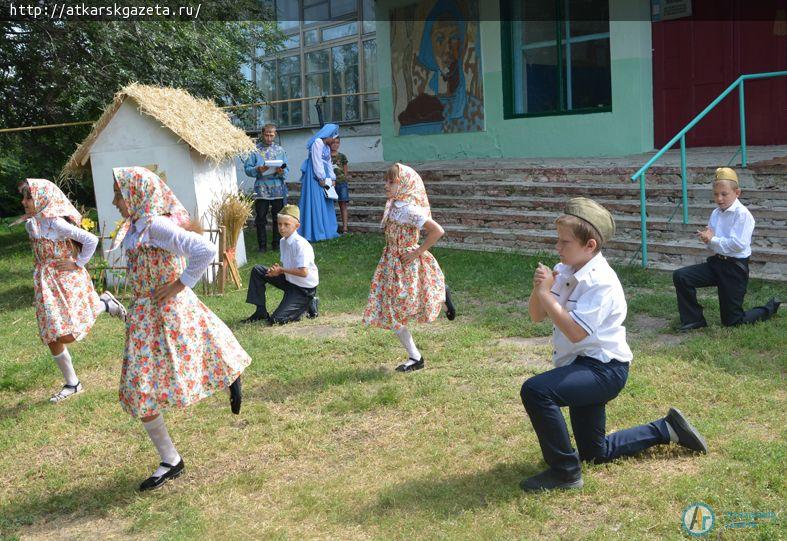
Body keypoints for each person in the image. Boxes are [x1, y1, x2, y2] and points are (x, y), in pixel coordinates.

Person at [519, 197, 708, 492]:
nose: (558, 247)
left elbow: (576, 333)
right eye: (558, 241)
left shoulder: (601, 282)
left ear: (590, 245)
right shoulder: (565, 268)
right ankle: (666, 428)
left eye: (564, 242)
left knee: (536, 390)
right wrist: (538, 290)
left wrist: (546, 295)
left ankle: (565, 473)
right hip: (580, 366)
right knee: (596, 453)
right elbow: (535, 316)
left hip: (605, 370)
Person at [110, 166, 250, 491]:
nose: (115, 200)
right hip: (145, 314)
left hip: (167, 309)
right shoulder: (137, 226)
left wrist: (179, 285)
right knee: (141, 389)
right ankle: (171, 459)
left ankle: (229, 373)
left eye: (119, 193)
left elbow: (204, 250)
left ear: (136, 195)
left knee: (146, 385)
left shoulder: (156, 225)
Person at [19, 178, 126, 403]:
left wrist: (77, 263)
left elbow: (90, 240)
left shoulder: (56, 224)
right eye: (25, 197)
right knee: (51, 334)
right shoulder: (32, 223)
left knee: (68, 333)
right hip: (45, 285)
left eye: (29, 197)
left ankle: (104, 304)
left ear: (42, 198)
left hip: (66, 280)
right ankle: (73, 383)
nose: (24, 202)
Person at [362, 163, 456, 372]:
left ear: (403, 184)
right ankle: (416, 355)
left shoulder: (409, 209)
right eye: (386, 181)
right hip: (390, 262)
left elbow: (437, 231)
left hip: (406, 262)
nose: (386, 185)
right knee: (393, 310)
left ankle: (416, 356)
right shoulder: (394, 205)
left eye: (391, 181)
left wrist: (416, 252)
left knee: (397, 310)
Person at [672, 167, 780, 331]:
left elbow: (738, 245)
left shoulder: (742, 215)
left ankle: (769, 308)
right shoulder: (716, 213)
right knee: (681, 276)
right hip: (717, 263)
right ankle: (694, 320)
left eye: (724, 194)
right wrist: (707, 239)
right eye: (716, 194)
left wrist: (713, 238)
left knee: (732, 321)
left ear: (737, 193)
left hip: (735, 269)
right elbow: (713, 243)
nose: (719, 198)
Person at [242, 204, 319, 324]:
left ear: (297, 226)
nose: (282, 228)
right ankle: (260, 311)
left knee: (276, 320)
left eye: (286, 224)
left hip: (303, 289)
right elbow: (287, 266)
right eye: (279, 224)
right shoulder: (283, 241)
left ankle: (309, 304)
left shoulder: (301, 244)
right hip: (289, 281)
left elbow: (304, 272)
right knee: (258, 270)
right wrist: (275, 271)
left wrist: (281, 270)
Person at [243, 123, 289, 252]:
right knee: (261, 217)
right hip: (261, 188)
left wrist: (281, 172)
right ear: (262, 134)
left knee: (278, 218)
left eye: (271, 135)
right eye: (266, 135)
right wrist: (258, 169)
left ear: (275, 135)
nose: (269, 137)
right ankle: (262, 246)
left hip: (277, 188)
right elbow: (247, 169)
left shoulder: (280, 150)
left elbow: (287, 169)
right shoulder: (255, 150)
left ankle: (277, 244)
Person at [298, 123, 339, 242]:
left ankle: (327, 230)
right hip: (315, 176)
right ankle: (316, 232)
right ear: (329, 135)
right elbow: (316, 161)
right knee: (315, 201)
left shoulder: (326, 146)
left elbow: (328, 162)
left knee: (326, 201)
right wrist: (321, 178)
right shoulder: (318, 143)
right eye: (334, 137)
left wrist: (332, 178)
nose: (334, 139)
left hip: (324, 175)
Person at [330, 137, 350, 234]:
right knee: (330, 206)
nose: (335, 145)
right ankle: (331, 228)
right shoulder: (326, 156)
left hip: (341, 183)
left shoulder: (342, 156)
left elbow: (345, 169)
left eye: (337, 143)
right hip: (330, 184)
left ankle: (345, 228)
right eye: (333, 143)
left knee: (343, 205)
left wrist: (344, 178)